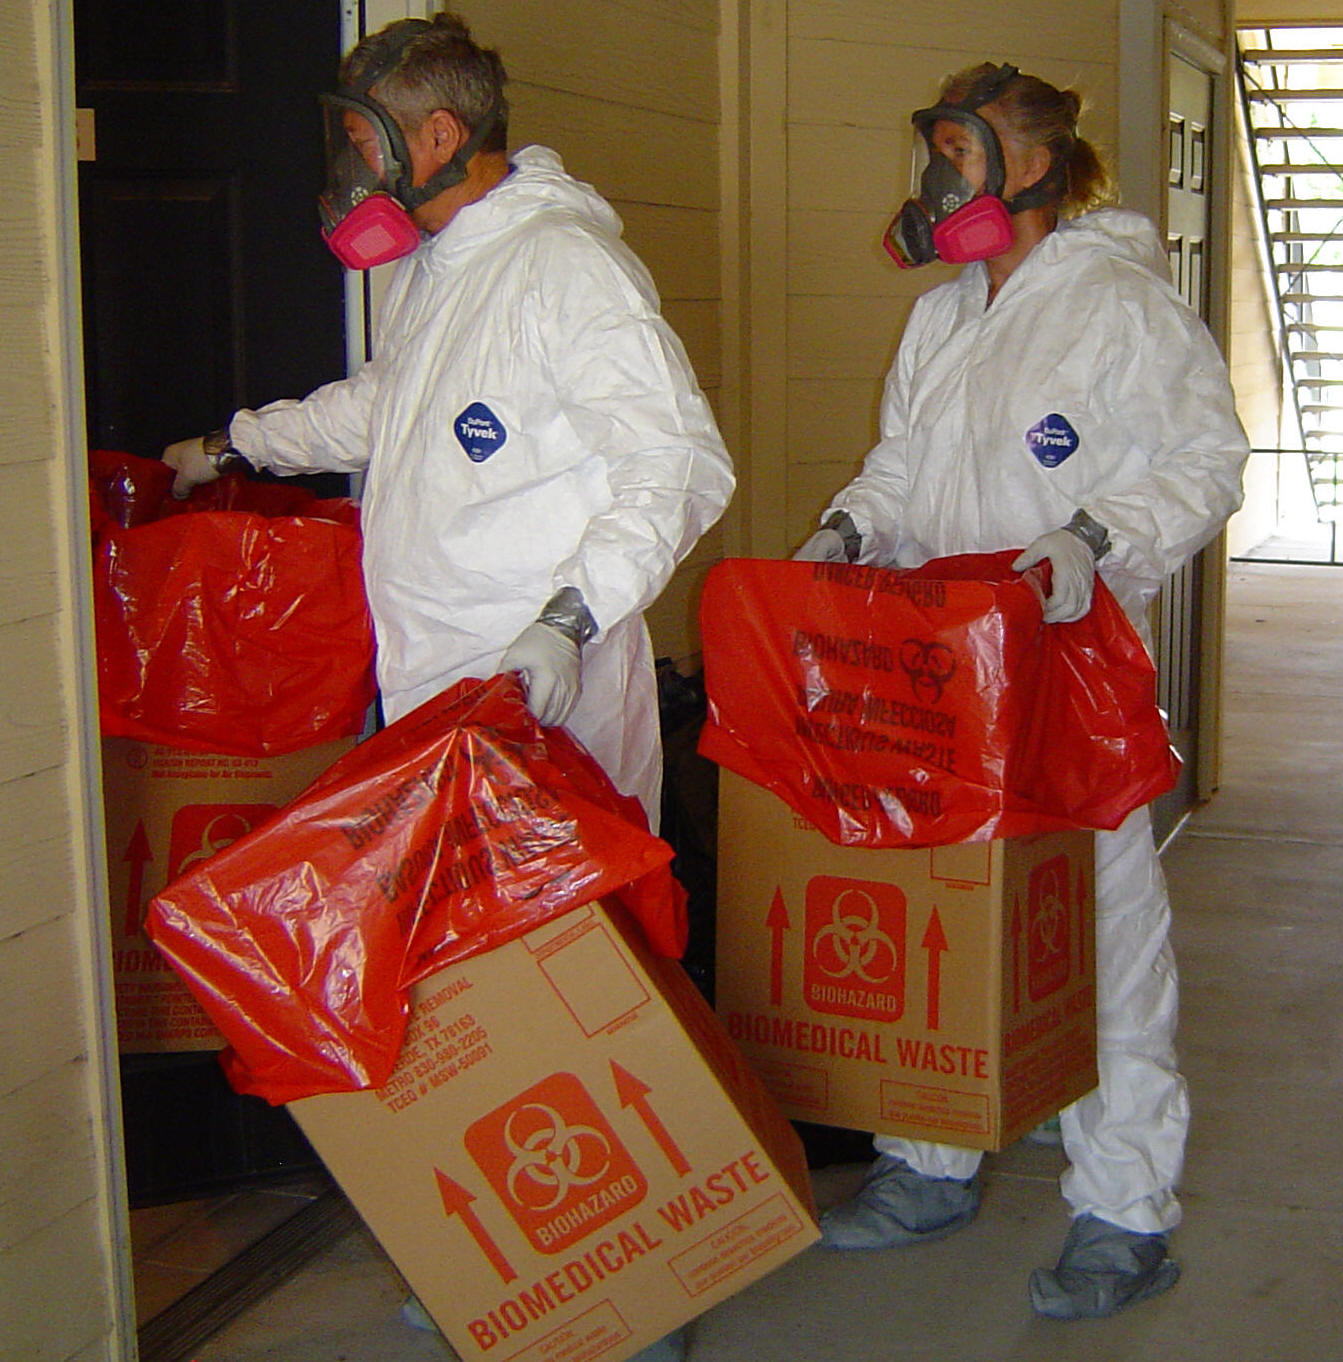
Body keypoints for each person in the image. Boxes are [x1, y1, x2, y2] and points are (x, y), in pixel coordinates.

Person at [795, 61, 1249, 1320]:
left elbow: (1207, 460)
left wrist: (1094, 540)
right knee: (942, 911)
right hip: (938, 667)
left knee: (1098, 931)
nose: (934, 182)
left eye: (958, 153)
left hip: (1065, 667)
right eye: (931, 153)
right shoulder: (943, 314)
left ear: (1030, 169)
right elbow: (897, 459)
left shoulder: (1117, 307)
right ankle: (929, 1158)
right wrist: (848, 527)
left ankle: (1123, 1208)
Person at [165, 9, 734, 843]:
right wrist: (238, 442)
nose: (352, 171)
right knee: (467, 950)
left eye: (363, 145)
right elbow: (383, 406)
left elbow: (679, 463)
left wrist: (567, 624)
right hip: (438, 669)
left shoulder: (566, 267)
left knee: (566, 950)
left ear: (437, 136)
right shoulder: (440, 263)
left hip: (538, 685)